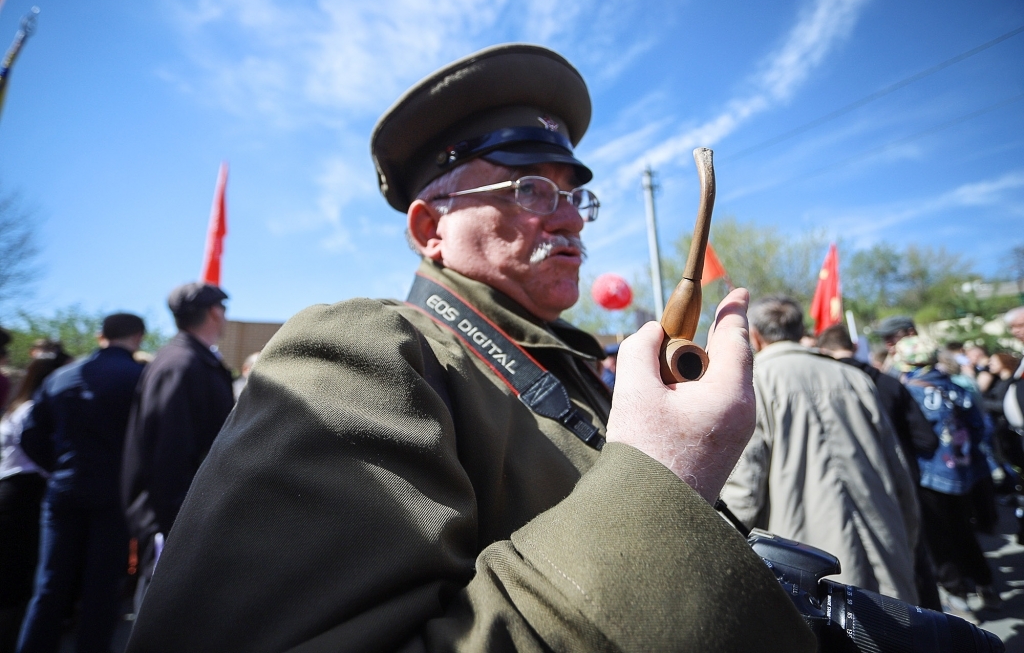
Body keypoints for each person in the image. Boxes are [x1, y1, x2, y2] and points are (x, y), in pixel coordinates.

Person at [125, 45, 814, 652]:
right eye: (530, 188)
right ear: (431, 227)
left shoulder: (563, 367)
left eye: (577, 196)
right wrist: (661, 477)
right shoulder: (368, 348)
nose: (571, 217)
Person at [722, 296, 920, 603]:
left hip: (806, 566)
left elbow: (743, 492)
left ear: (756, 336)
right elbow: (899, 472)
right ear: (801, 329)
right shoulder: (855, 377)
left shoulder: (752, 383)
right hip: (884, 547)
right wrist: (905, 537)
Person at [16, 314, 146, 653]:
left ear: (100, 335)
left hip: (64, 490)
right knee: (101, 590)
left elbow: (30, 435)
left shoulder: (61, 377)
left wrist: (58, 467)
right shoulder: (140, 378)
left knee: (49, 587)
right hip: (113, 495)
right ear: (139, 337)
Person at [121, 283, 234, 611]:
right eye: (223, 309)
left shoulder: (192, 360)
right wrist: (176, 520)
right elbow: (168, 452)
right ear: (214, 311)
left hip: (183, 516)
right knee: (162, 618)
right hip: (173, 522)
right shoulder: (181, 364)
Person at [816, 323, 941, 609]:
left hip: (860, 490)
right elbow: (926, 440)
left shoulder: (835, 387)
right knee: (913, 564)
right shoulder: (887, 382)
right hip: (902, 483)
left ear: (823, 350)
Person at [893, 335, 1001, 612]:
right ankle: (985, 584)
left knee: (939, 538)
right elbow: (980, 427)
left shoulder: (910, 391)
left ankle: (958, 595)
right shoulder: (954, 385)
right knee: (964, 529)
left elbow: (918, 438)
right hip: (965, 472)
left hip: (930, 475)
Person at [0, 354, 69, 653]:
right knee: (19, 578)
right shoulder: (35, 412)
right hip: (25, 493)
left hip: (10, 489)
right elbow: (36, 445)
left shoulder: (17, 407)